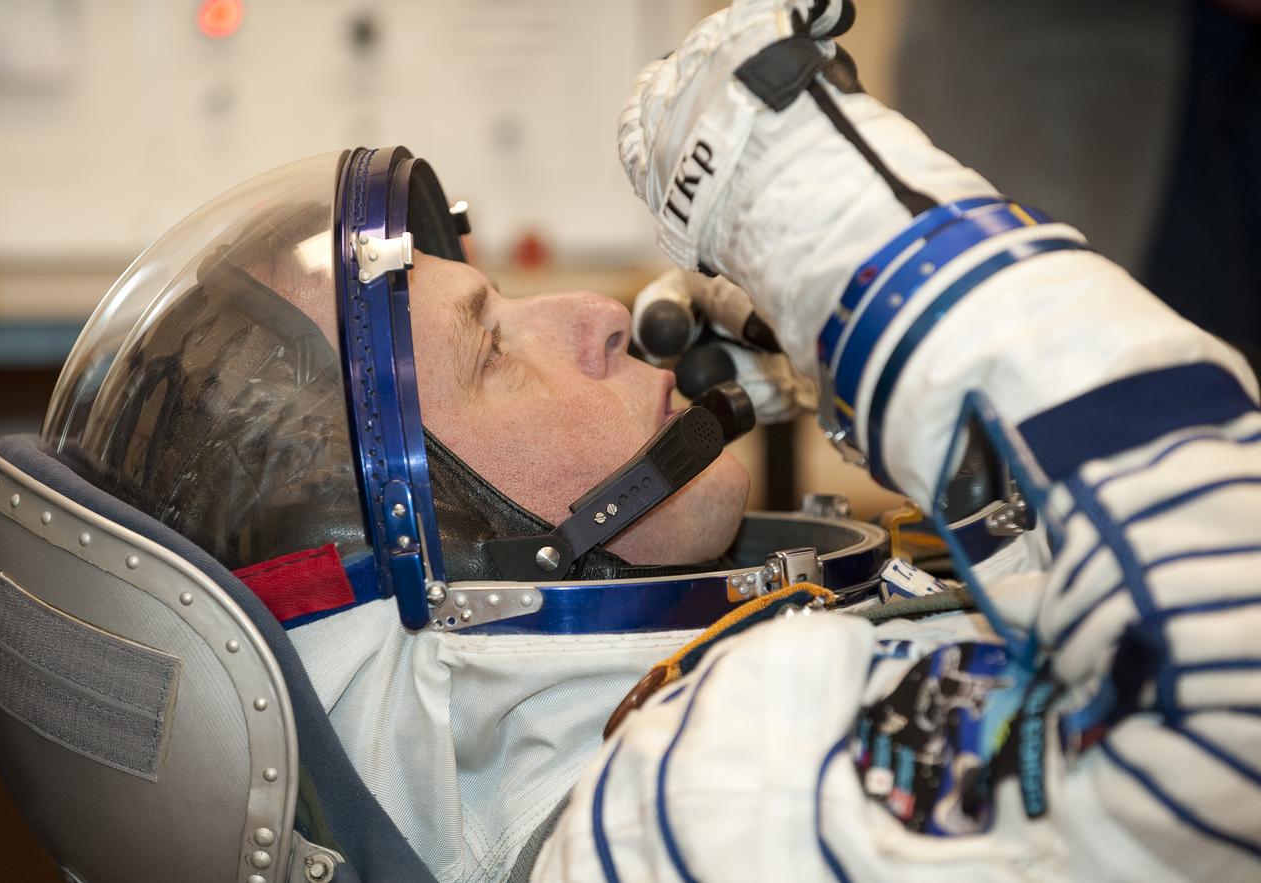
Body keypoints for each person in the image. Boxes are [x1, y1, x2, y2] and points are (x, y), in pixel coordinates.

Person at [531, 1, 1261, 880]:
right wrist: (804, 211)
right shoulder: (694, 798)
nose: (600, 314)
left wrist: (859, 376)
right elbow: (1228, 690)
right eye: (489, 348)